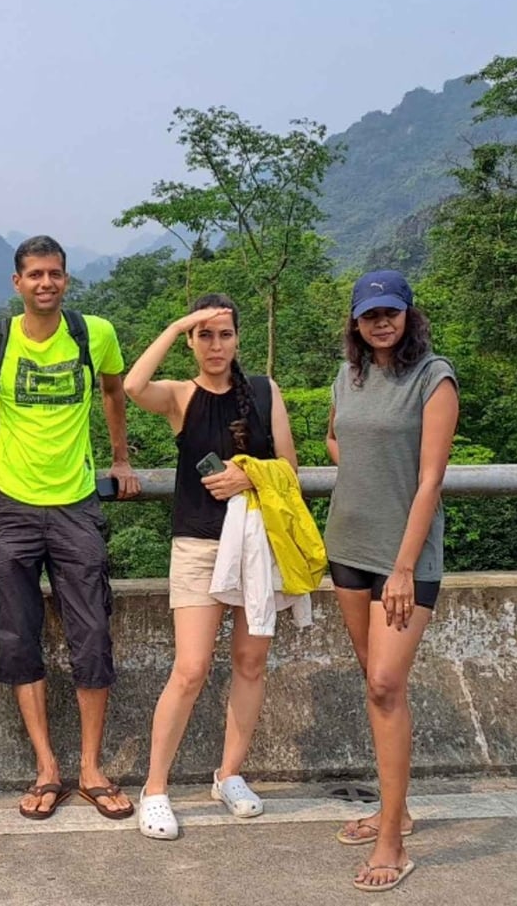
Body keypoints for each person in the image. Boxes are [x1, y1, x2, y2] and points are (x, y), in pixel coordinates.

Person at [0, 234, 140, 822]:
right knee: (17, 634)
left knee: (92, 633)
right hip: (9, 503)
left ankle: (91, 768)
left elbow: (115, 392)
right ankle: (46, 767)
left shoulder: (96, 335)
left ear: (67, 280)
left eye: (55, 274)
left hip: (76, 502)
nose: (45, 283)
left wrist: (120, 458)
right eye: (35, 274)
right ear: (17, 282)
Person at [122, 294, 298, 841]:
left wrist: (249, 476)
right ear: (193, 342)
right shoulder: (181, 396)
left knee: (250, 663)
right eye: (205, 335)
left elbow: (290, 467)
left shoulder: (266, 392)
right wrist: (176, 325)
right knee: (191, 668)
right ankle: (155, 788)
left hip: (257, 545)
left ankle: (230, 774)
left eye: (224, 334)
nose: (215, 345)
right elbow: (131, 386)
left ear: (238, 338)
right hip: (199, 545)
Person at [325, 269, 458, 893]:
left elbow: (430, 479)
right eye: (369, 314)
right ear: (356, 320)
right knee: (373, 680)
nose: (381, 322)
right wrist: (364, 475)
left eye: (391, 312)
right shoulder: (348, 377)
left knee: (385, 683)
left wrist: (404, 566)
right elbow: (335, 437)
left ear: (408, 314)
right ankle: (394, 805)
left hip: (403, 559)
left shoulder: (434, 377)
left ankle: (392, 840)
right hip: (347, 545)